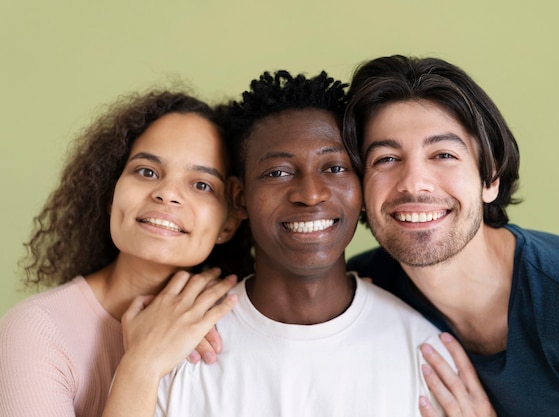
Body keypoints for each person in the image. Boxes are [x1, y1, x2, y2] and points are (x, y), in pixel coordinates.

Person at [154, 70, 454, 417]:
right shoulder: (180, 347)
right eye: (278, 172)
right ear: (239, 199)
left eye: (335, 167)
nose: (311, 194)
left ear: (362, 188)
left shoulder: (427, 356)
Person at [343, 54, 559, 417]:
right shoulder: (369, 287)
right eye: (385, 159)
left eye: (443, 154)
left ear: (490, 178)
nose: (414, 182)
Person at [0, 89, 254, 417]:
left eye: (202, 185)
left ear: (228, 224)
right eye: (147, 172)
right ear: (111, 193)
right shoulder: (35, 331)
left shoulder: (232, 322)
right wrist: (141, 364)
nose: (167, 194)